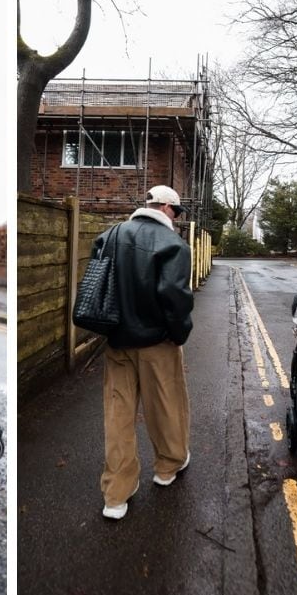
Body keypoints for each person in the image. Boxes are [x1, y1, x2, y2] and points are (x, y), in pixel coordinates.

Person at [95, 185, 194, 520]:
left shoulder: (110, 235)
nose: (177, 219)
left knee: (117, 414)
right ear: (166, 207)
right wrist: (179, 335)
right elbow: (175, 297)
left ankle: (116, 495)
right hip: (157, 343)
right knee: (166, 404)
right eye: (177, 212)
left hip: (117, 341)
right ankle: (167, 467)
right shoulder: (173, 245)